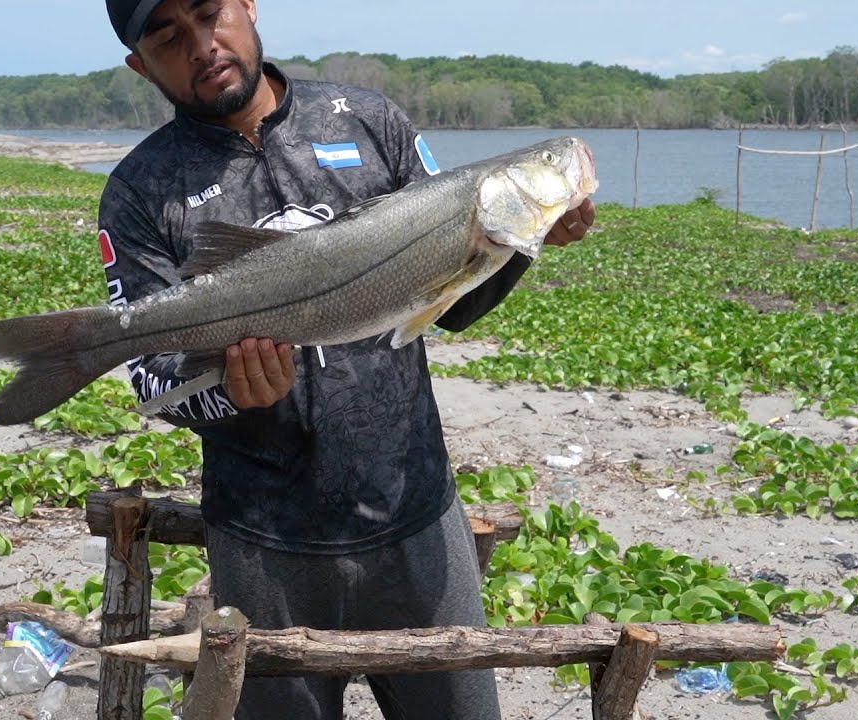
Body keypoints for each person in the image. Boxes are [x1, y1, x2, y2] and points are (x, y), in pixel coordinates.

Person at [99, 1, 594, 718]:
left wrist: (523, 243)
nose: (203, 44)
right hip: (263, 543)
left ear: (246, 6)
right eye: (168, 36)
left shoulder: (368, 120)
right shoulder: (141, 190)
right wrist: (234, 393)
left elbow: (449, 303)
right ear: (140, 64)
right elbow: (153, 382)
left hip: (416, 515)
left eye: (211, 12)